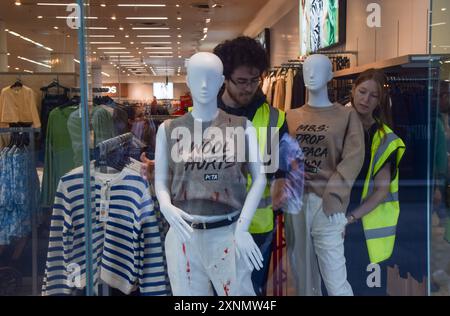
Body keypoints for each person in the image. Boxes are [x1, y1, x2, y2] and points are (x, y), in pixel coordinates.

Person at [154, 52, 266, 296]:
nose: (204, 85)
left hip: (229, 233)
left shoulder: (241, 126)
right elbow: (161, 181)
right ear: (187, 80)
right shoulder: (169, 129)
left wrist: (243, 227)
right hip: (184, 235)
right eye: (197, 77)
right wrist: (165, 205)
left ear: (221, 81)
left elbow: (260, 178)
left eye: (211, 77)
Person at [213, 36, 288, 296]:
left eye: (255, 80)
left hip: (257, 226)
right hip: (213, 224)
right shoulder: (203, 115)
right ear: (225, 77)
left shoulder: (276, 118)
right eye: (241, 81)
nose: (248, 88)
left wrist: (282, 184)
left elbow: (284, 168)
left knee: (251, 293)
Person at [344, 68, 406, 296]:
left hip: (364, 228)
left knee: (366, 290)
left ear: (381, 101)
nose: (365, 99)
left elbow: (381, 191)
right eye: (362, 92)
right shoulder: (336, 126)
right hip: (333, 220)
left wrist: (349, 219)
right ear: (352, 90)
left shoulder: (385, 138)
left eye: (373, 95)